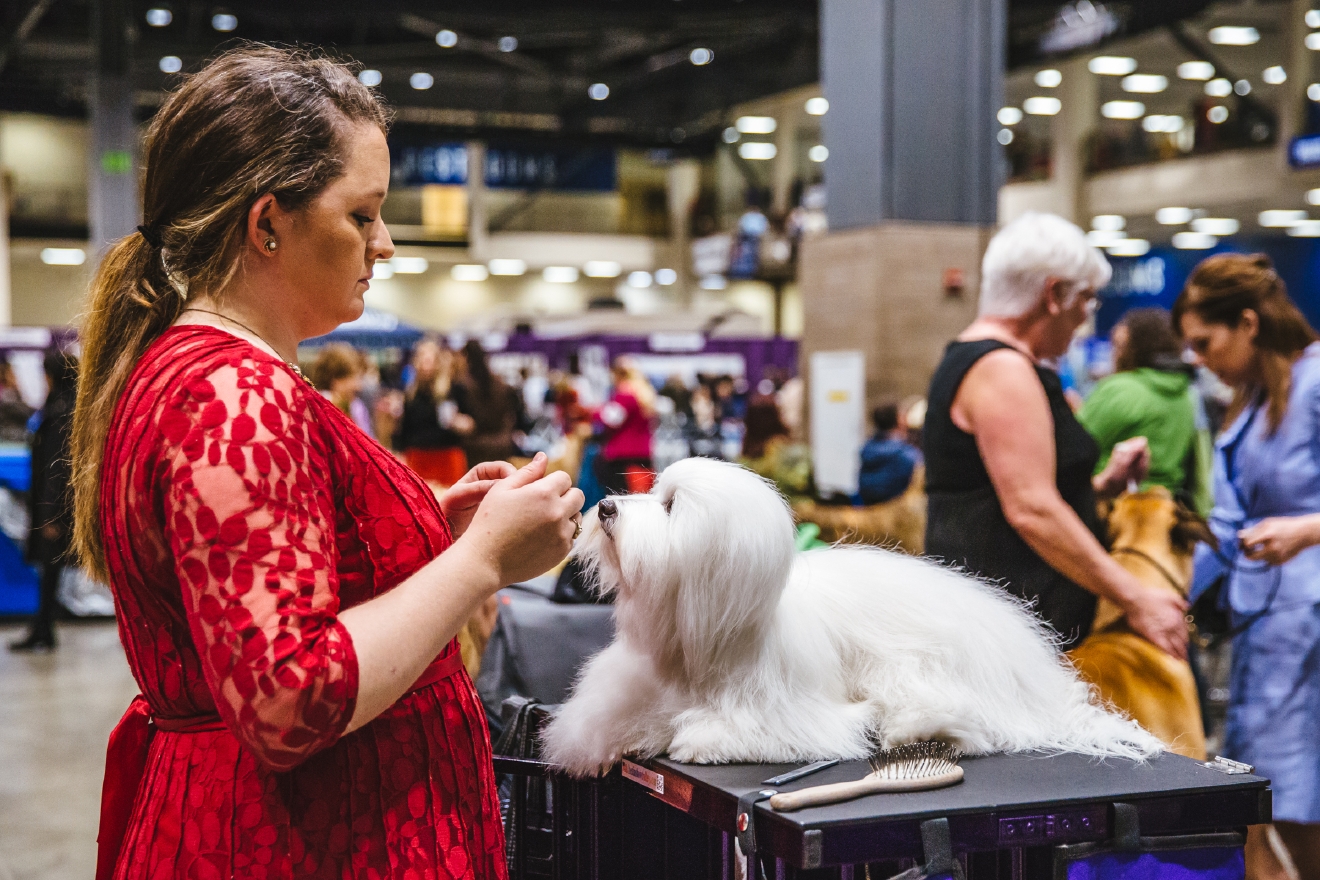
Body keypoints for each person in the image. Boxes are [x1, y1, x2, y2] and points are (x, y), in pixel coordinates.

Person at [69, 47, 583, 880]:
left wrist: (428, 538)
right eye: (362, 214)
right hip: (299, 840)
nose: (382, 244)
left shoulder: (207, 373)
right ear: (268, 221)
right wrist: (481, 563)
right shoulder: (234, 393)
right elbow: (286, 698)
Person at [923, 212, 1187, 656]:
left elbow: (1012, 493)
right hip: (1006, 635)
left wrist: (1102, 487)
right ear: (1054, 294)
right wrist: (1135, 597)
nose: (1086, 314)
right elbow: (1031, 509)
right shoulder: (1001, 369)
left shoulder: (999, 363)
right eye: (1086, 298)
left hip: (1011, 625)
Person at [1176, 253, 1320, 879]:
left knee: (1304, 797)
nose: (1198, 360)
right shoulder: (1249, 405)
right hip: (1266, 633)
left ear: (1249, 323)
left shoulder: (1315, 385)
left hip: (1310, 630)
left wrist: (1307, 529)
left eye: (1206, 343)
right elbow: (1227, 528)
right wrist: (1164, 598)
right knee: (1270, 795)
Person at [1078, 308, 1213, 515]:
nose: (1113, 354)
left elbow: (1071, 448)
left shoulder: (1120, 389)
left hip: (1113, 513)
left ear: (1134, 348)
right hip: (1164, 514)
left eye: (1119, 346)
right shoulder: (1187, 395)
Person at [9, 349, 77, 653]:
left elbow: (57, 468)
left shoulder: (62, 413)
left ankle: (43, 629)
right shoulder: (61, 409)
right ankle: (42, 628)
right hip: (50, 506)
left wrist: (52, 515)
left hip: (52, 509)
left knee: (50, 571)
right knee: (49, 573)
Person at [395, 338, 473, 486]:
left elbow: (471, 423)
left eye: (429, 360)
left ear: (438, 363)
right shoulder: (411, 394)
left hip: (447, 457)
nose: (425, 366)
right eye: (422, 360)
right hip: (418, 457)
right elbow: (404, 429)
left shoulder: (454, 390)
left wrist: (459, 422)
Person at [594, 357, 656, 495]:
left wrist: (594, 413)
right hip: (643, 454)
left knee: (620, 502)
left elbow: (611, 419)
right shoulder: (645, 395)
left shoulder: (625, 395)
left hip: (622, 457)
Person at [454, 339, 521, 464]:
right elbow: (512, 415)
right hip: (501, 447)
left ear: (466, 357)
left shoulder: (462, 386)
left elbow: (468, 424)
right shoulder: (501, 385)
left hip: (473, 449)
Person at [856, 403, 921, 505]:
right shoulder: (906, 454)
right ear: (899, 421)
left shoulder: (867, 448)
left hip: (868, 507)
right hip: (895, 511)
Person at [309, 342, 375, 437]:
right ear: (336, 379)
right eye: (353, 377)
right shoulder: (322, 403)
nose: (358, 386)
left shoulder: (356, 406)